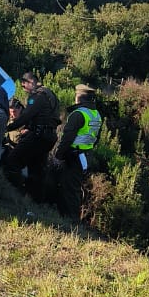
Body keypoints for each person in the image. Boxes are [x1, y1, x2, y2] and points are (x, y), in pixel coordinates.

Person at [45, 84, 103, 218]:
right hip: (86, 155)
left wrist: (58, 156)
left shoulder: (78, 114)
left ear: (79, 98)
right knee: (72, 187)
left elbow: (67, 138)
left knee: (70, 188)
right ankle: (64, 215)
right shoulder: (96, 114)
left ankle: (71, 221)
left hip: (73, 156)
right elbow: (96, 137)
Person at [1, 70, 60, 197]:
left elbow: (26, 116)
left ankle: (14, 194)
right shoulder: (50, 94)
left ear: (31, 81)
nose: (23, 89)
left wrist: (7, 128)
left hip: (38, 135)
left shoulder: (37, 96)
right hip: (49, 137)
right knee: (37, 169)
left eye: (23, 85)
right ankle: (35, 200)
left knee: (12, 160)